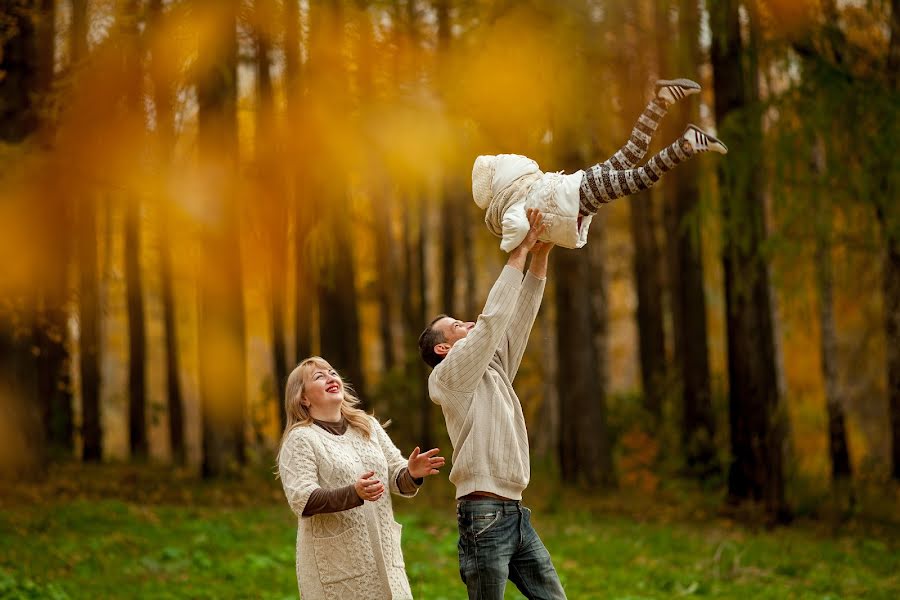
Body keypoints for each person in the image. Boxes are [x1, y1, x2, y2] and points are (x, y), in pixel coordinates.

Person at [418, 209, 565, 599]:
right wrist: (517, 254)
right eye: (456, 326)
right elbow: (491, 322)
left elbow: (516, 321)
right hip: (482, 515)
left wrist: (540, 256)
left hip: (516, 513)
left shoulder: (492, 367)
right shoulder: (448, 377)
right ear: (443, 347)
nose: (467, 324)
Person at [472, 78, 727, 252]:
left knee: (641, 178)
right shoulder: (524, 190)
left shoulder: (513, 205)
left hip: (582, 193)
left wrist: (511, 247)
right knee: (633, 152)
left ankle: (687, 144)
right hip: (582, 184)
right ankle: (663, 98)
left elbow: (514, 227)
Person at [277, 356, 445, 599]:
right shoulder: (301, 438)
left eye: (332, 372)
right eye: (319, 376)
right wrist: (354, 493)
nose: (330, 377)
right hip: (337, 570)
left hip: (386, 561)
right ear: (303, 397)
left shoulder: (367, 425)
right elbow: (301, 499)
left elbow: (396, 476)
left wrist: (411, 473)